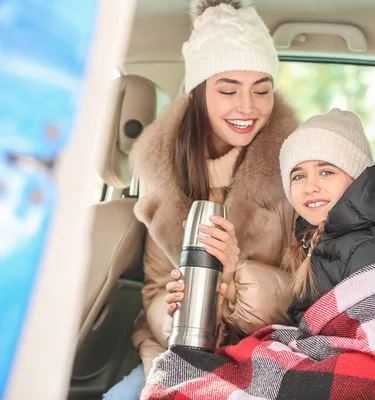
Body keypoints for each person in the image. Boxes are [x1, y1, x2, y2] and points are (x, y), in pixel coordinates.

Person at [151, 109, 375, 399]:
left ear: (356, 176)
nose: (311, 187)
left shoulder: (374, 243)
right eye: (298, 176)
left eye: (326, 171)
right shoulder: (322, 239)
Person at [102, 0, 299, 398]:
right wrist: (175, 310)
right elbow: (155, 290)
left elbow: (307, 294)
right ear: (197, 93)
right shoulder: (166, 180)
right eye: (228, 89)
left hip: (267, 354)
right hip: (176, 353)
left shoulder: (294, 175)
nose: (248, 107)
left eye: (262, 90)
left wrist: (236, 271)